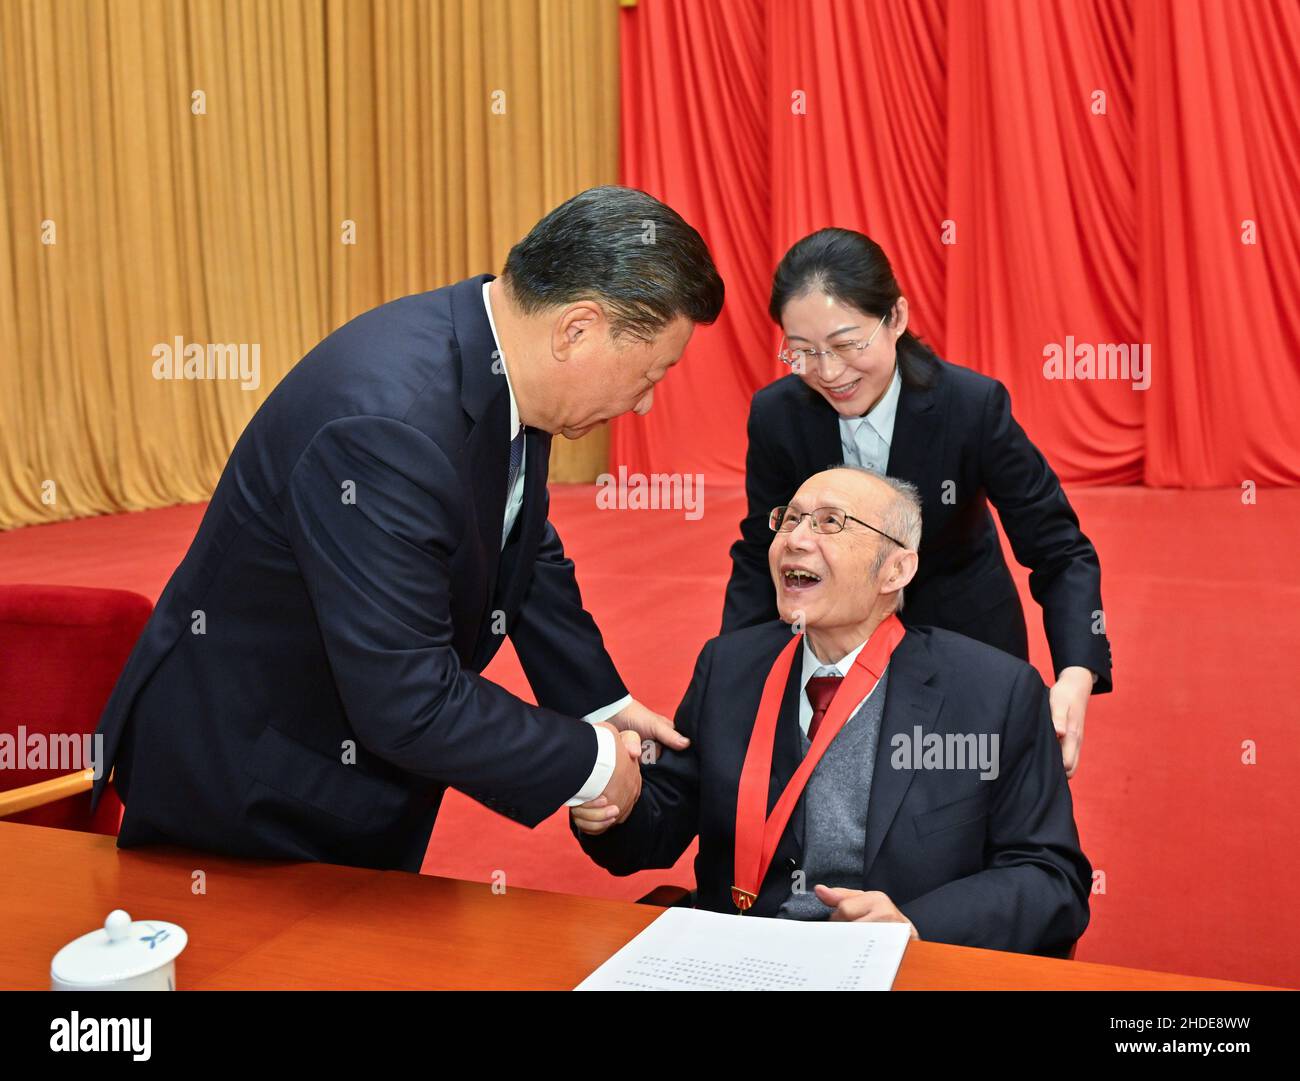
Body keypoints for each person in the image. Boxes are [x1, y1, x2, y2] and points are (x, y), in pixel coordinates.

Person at [91, 186, 724, 871]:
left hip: (339, 764)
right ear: (578, 329)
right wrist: (592, 762)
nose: (645, 403)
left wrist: (599, 703)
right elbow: (408, 699)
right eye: (651, 373)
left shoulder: (502, 361)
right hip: (252, 788)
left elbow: (519, 539)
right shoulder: (388, 427)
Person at [577, 466, 1091, 957]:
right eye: (790, 519)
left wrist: (916, 925)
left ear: (896, 569)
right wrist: (612, 801)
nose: (796, 539)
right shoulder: (730, 667)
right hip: (738, 957)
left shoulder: (992, 692)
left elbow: (1052, 878)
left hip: (897, 968)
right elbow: (655, 829)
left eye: (830, 522)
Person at [722, 228, 1112, 776]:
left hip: (964, 637)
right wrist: (731, 677)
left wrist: (1075, 673)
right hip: (832, 650)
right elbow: (760, 550)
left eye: (847, 344)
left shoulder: (971, 407)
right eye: (803, 351)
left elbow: (1060, 550)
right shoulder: (777, 416)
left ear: (896, 318)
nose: (828, 372)